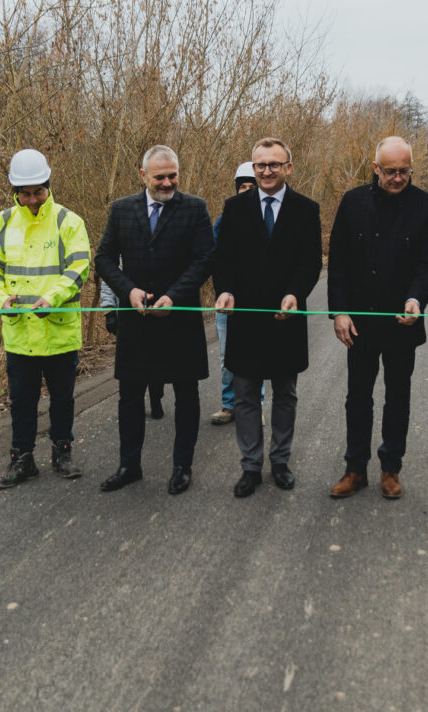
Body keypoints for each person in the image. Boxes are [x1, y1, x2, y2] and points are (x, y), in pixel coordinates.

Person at [326, 136, 428, 499]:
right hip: (359, 320)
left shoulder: (427, 206)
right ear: (375, 168)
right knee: (357, 397)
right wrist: (339, 311)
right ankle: (354, 468)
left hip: (401, 321)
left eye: (404, 171)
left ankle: (391, 468)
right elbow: (339, 263)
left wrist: (416, 299)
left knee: (398, 396)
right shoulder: (353, 202)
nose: (397, 178)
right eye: (390, 171)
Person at [94, 145, 214, 495]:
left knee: (186, 395)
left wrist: (175, 297)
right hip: (136, 320)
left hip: (180, 320)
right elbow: (103, 258)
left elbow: (205, 259)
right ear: (143, 175)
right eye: (159, 177)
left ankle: (182, 467)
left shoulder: (195, 208)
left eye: (172, 175)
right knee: (130, 396)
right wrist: (127, 291)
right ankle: (129, 465)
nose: (167, 182)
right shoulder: (120, 210)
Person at [0, 149, 90, 489]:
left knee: (62, 398)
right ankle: (22, 459)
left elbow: (78, 268)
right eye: (25, 193)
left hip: (58, 329)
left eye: (38, 191)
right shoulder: (1, 223)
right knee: (21, 400)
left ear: (48, 185)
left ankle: (62, 451)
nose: (32, 199)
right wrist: (0, 299)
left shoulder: (69, 221)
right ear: (14, 191)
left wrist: (51, 299)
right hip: (20, 332)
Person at [214, 137, 322, 498]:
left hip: (286, 318)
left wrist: (295, 293)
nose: (267, 171)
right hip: (245, 319)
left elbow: (310, 262)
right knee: (244, 395)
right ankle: (250, 466)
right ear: (253, 167)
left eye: (274, 164)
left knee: (285, 394)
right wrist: (225, 290)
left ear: (288, 167)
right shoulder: (235, 207)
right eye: (260, 165)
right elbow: (224, 260)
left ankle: (280, 461)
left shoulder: (307, 209)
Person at [210, 161, 259, 426]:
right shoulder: (223, 220)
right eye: (243, 186)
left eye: (253, 186)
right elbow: (216, 259)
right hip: (227, 302)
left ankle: (254, 405)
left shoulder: (269, 220)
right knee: (227, 357)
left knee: (255, 356)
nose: (247, 191)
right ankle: (229, 405)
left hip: (257, 304)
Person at [99, 263, 165, 419]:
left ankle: (156, 398)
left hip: (154, 312)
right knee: (133, 362)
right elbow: (108, 281)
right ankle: (135, 403)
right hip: (126, 317)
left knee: (156, 359)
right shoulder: (118, 253)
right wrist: (109, 310)